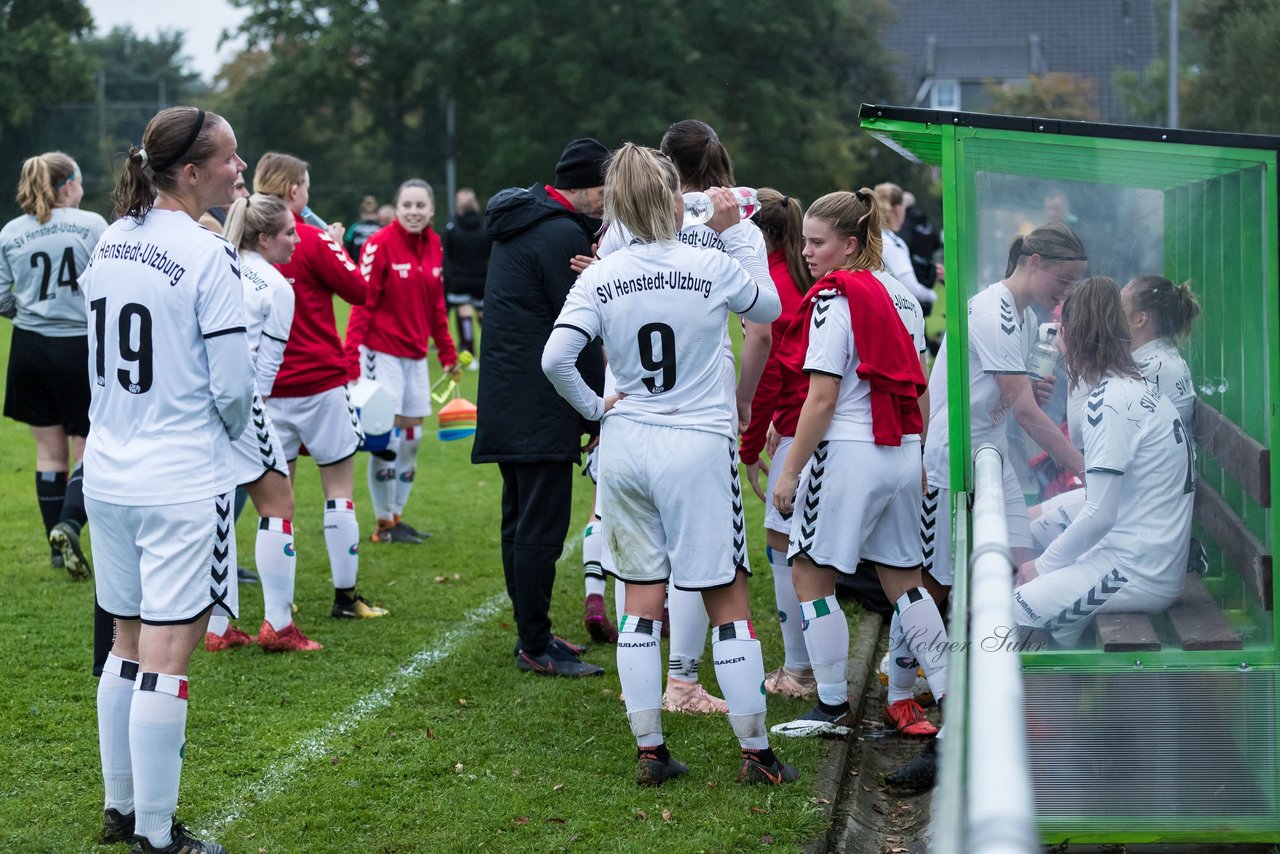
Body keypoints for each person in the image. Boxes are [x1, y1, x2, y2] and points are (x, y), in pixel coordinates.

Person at [542, 142, 794, 786]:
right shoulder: (708, 263)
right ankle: (757, 755)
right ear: (674, 195)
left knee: (640, 600)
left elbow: (555, 359)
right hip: (696, 445)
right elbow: (768, 310)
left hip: (627, 445)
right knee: (727, 599)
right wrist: (739, 239)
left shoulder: (602, 272)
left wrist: (597, 409)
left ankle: (650, 750)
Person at [84, 105, 251, 854]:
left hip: (109, 474)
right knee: (167, 654)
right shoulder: (209, 256)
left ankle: (121, 810)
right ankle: (156, 833)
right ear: (190, 172)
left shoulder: (109, 238)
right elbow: (233, 390)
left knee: (123, 640)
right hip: (179, 477)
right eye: (230, 159)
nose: (240, 170)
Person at [597, 118, 773, 715]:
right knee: (706, 554)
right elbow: (762, 324)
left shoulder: (620, 230)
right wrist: (746, 399)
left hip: (629, 400)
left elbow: (584, 332)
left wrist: (598, 401)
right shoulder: (737, 219)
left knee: (640, 551)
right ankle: (682, 682)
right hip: (702, 398)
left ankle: (643, 687)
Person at [767, 190, 946, 742]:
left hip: (848, 453)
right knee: (906, 583)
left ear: (850, 243)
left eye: (817, 242)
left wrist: (793, 470)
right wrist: (914, 452)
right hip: (899, 451)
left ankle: (829, 706)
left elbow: (821, 398)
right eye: (804, 241)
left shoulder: (832, 297)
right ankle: (953, 695)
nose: (807, 252)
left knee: (808, 574)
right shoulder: (904, 297)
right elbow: (917, 383)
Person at [472, 137, 609, 676]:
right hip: (541, 403)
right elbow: (580, 330)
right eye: (603, 191)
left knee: (519, 521)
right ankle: (534, 643)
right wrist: (594, 411)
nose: (607, 202)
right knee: (540, 529)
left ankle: (534, 630)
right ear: (581, 187)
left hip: (509, 397)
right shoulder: (559, 233)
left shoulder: (525, 221)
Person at [1014, 276, 1195, 643]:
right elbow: (1083, 435)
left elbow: (1100, 514)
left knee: (1017, 607)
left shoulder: (1115, 399)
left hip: (1140, 568)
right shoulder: (1124, 384)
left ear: (1077, 335)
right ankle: (1073, 689)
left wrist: (1042, 567)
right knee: (1034, 577)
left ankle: (1060, 696)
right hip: (1138, 551)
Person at [253, 152, 387, 620]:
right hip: (321, 382)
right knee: (339, 490)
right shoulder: (308, 238)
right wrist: (335, 243)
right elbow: (360, 290)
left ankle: (278, 611)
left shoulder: (240, 246)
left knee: (275, 505)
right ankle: (345, 599)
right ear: (294, 192)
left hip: (265, 391)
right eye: (305, 186)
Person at [203, 192, 323, 653]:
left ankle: (217, 628)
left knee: (218, 510)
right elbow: (266, 373)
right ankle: (278, 624)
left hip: (201, 401)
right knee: (279, 504)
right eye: (290, 233)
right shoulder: (277, 287)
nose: (297, 241)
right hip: (244, 403)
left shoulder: (220, 263)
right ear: (265, 237)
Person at [1029, 274, 1199, 549]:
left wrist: (1076, 361)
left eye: (1118, 310)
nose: (1110, 318)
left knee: (1023, 539)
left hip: (1139, 511)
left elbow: (1079, 433)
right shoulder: (1155, 359)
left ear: (1139, 319)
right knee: (1025, 524)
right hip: (1130, 494)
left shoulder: (1153, 370)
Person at [0, 151, 106, 579]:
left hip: (28, 347)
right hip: (77, 347)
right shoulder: (93, 225)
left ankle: (56, 550)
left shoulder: (10, 232)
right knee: (87, 447)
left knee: (48, 452)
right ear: (68, 186)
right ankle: (69, 524)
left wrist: (31, 314)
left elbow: (2, 297)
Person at [346, 178, 462, 543]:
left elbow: (436, 307)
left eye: (420, 206)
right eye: (407, 205)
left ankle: (397, 516)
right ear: (396, 209)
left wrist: (447, 353)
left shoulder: (435, 246)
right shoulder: (379, 244)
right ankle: (384, 524)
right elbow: (362, 305)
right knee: (388, 440)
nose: (414, 212)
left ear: (431, 210)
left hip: (415, 357)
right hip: (380, 353)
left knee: (411, 440)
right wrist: (351, 360)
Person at [737, 188, 816, 699]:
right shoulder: (799, 275)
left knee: (783, 543)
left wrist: (748, 446)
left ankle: (800, 671)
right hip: (807, 422)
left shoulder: (771, 285)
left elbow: (766, 374)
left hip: (804, 430)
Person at [442, 188, 491, 363]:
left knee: (464, 313)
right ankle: (490, 350)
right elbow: (489, 252)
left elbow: (446, 253)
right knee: (483, 314)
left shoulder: (452, 227)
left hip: (459, 278)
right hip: (481, 277)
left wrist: (447, 275)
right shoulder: (485, 226)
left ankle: (469, 352)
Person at [874, 182, 936, 311]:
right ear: (898, 209)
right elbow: (911, 287)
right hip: (893, 312)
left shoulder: (872, 236)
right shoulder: (892, 242)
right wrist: (932, 296)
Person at [343, 195, 381, 259]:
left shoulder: (381, 228)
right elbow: (347, 245)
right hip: (357, 264)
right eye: (367, 202)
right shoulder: (354, 228)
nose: (369, 205)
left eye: (371, 203)